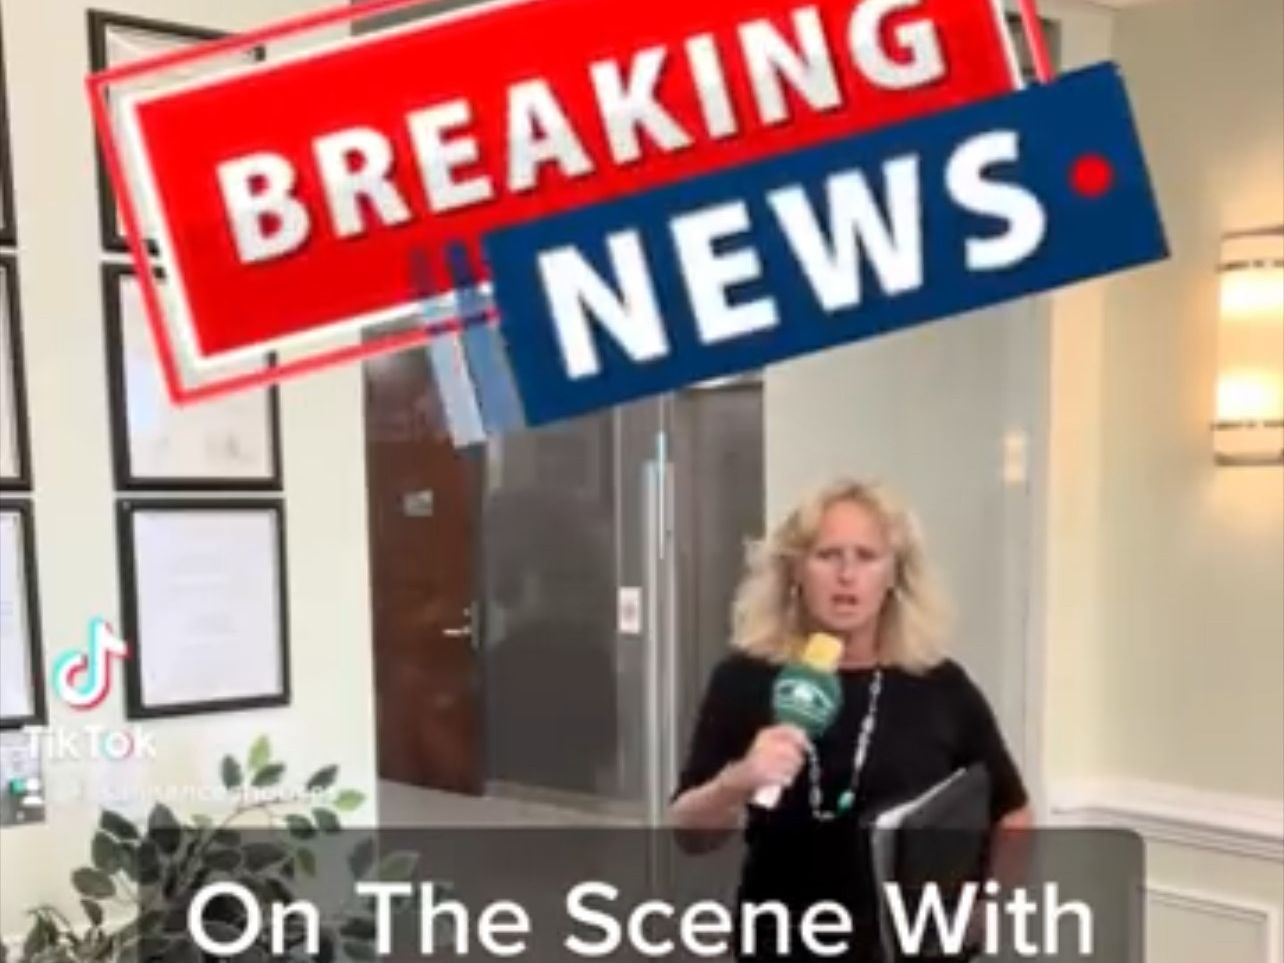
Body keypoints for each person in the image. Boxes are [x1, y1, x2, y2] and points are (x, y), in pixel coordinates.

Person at [669, 477, 1033, 961]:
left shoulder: (941, 687)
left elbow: (1013, 812)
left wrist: (989, 905)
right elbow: (689, 834)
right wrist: (738, 781)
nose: (847, 575)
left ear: (893, 575)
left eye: (866, 556)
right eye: (828, 555)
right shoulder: (745, 679)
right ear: (795, 570)